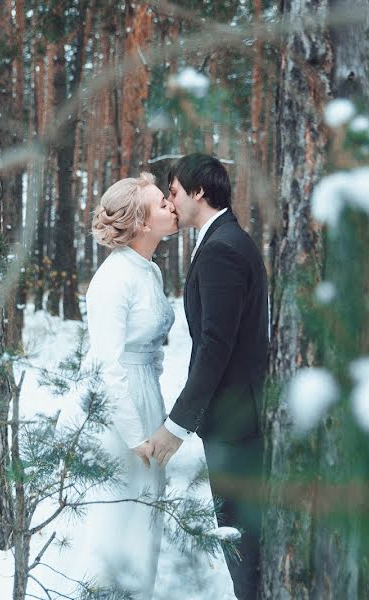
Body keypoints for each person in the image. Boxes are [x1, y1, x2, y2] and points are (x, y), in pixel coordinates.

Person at [148, 153, 268, 600]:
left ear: (199, 191)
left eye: (175, 192)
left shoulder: (221, 250)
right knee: (246, 539)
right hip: (243, 417)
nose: (171, 203)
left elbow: (216, 347)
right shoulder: (225, 241)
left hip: (237, 423)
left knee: (244, 543)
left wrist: (177, 425)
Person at [77, 172, 179, 599]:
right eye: (162, 204)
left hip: (146, 394)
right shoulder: (113, 279)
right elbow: (105, 367)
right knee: (112, 524)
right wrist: (135, 435)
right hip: (115, 411)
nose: (172, 206)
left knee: (144, 520)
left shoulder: (148, 270)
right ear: (139, 223)